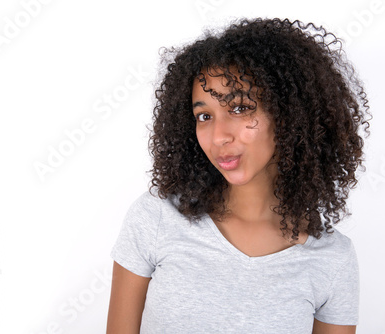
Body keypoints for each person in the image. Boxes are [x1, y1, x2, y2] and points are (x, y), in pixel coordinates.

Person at [107, 17, 370, 334]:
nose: (218, 136)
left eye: (239, 108)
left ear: (287, 113)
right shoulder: (156, 220)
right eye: (204, 116)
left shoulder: (332, 260)